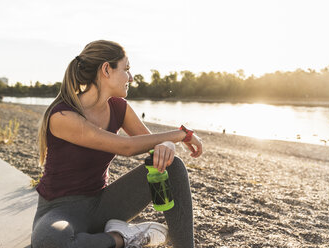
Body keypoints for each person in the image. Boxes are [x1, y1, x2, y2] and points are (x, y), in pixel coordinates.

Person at [31, 40, 203, 248]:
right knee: (50, 242)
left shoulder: (119, 108)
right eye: (126, 69)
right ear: (106, 69)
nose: (131, 77)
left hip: (104, 205)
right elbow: (126, 147)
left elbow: (151, 144)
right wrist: (181, 135)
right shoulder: (63, 115)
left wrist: (168, 144)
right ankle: (125, 237)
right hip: (60, 211)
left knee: (173, 165)